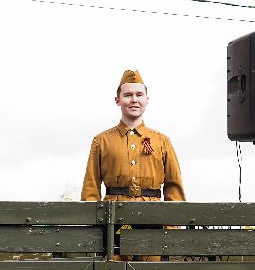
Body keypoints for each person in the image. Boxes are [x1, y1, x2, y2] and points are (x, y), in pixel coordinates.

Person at [79, 69, 186, 202]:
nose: (134, 100)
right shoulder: (101, 141)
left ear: (146, 100)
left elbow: (174, 189)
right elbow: (91, 189)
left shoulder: (162, 142)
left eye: (139, 95)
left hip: (152, 219)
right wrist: (94, 222)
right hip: (113, 218)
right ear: (118, 100)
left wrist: (171, 223)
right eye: (128, 95)